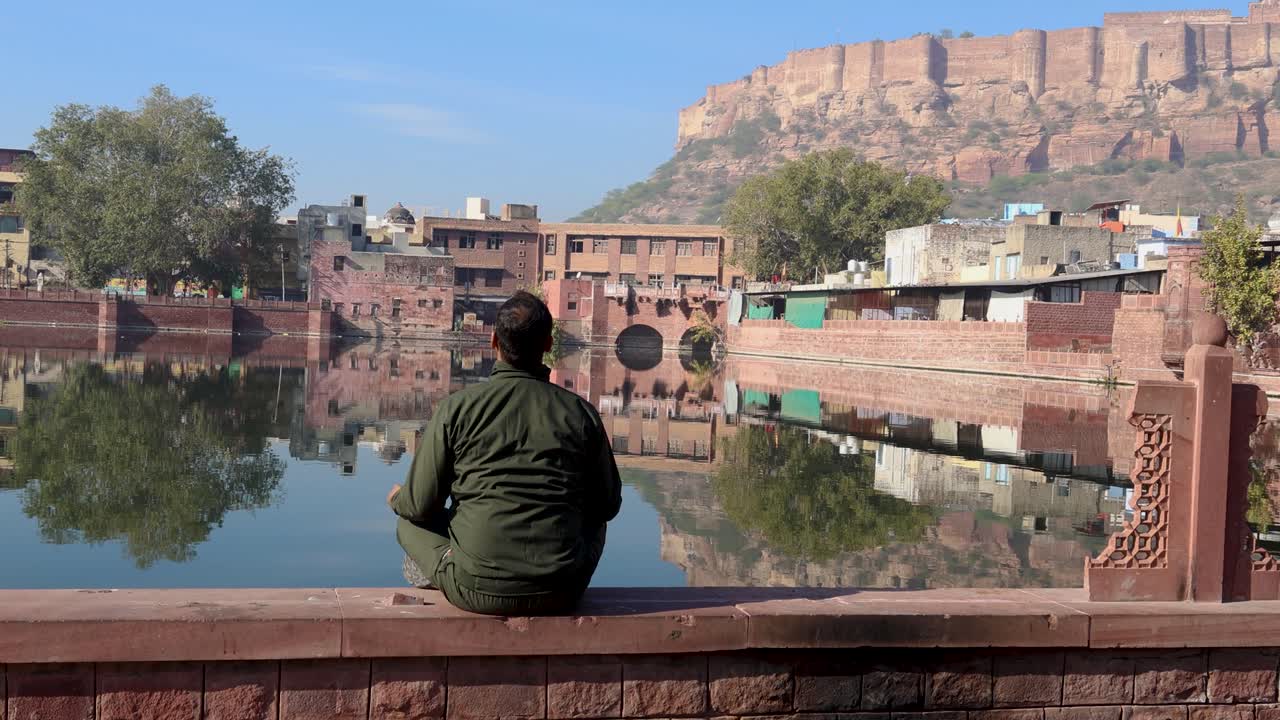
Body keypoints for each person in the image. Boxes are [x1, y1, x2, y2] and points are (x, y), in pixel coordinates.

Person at [388, 290, 621, 615]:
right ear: (548, 345)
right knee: (595, 523)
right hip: (562, 590)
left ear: (493, 340)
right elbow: (607, 506)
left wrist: (397, 499)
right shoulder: (580, 413)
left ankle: (445, 566)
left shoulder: (457, 409)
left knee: (407, 524)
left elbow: (419, 506)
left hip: (474, 588)